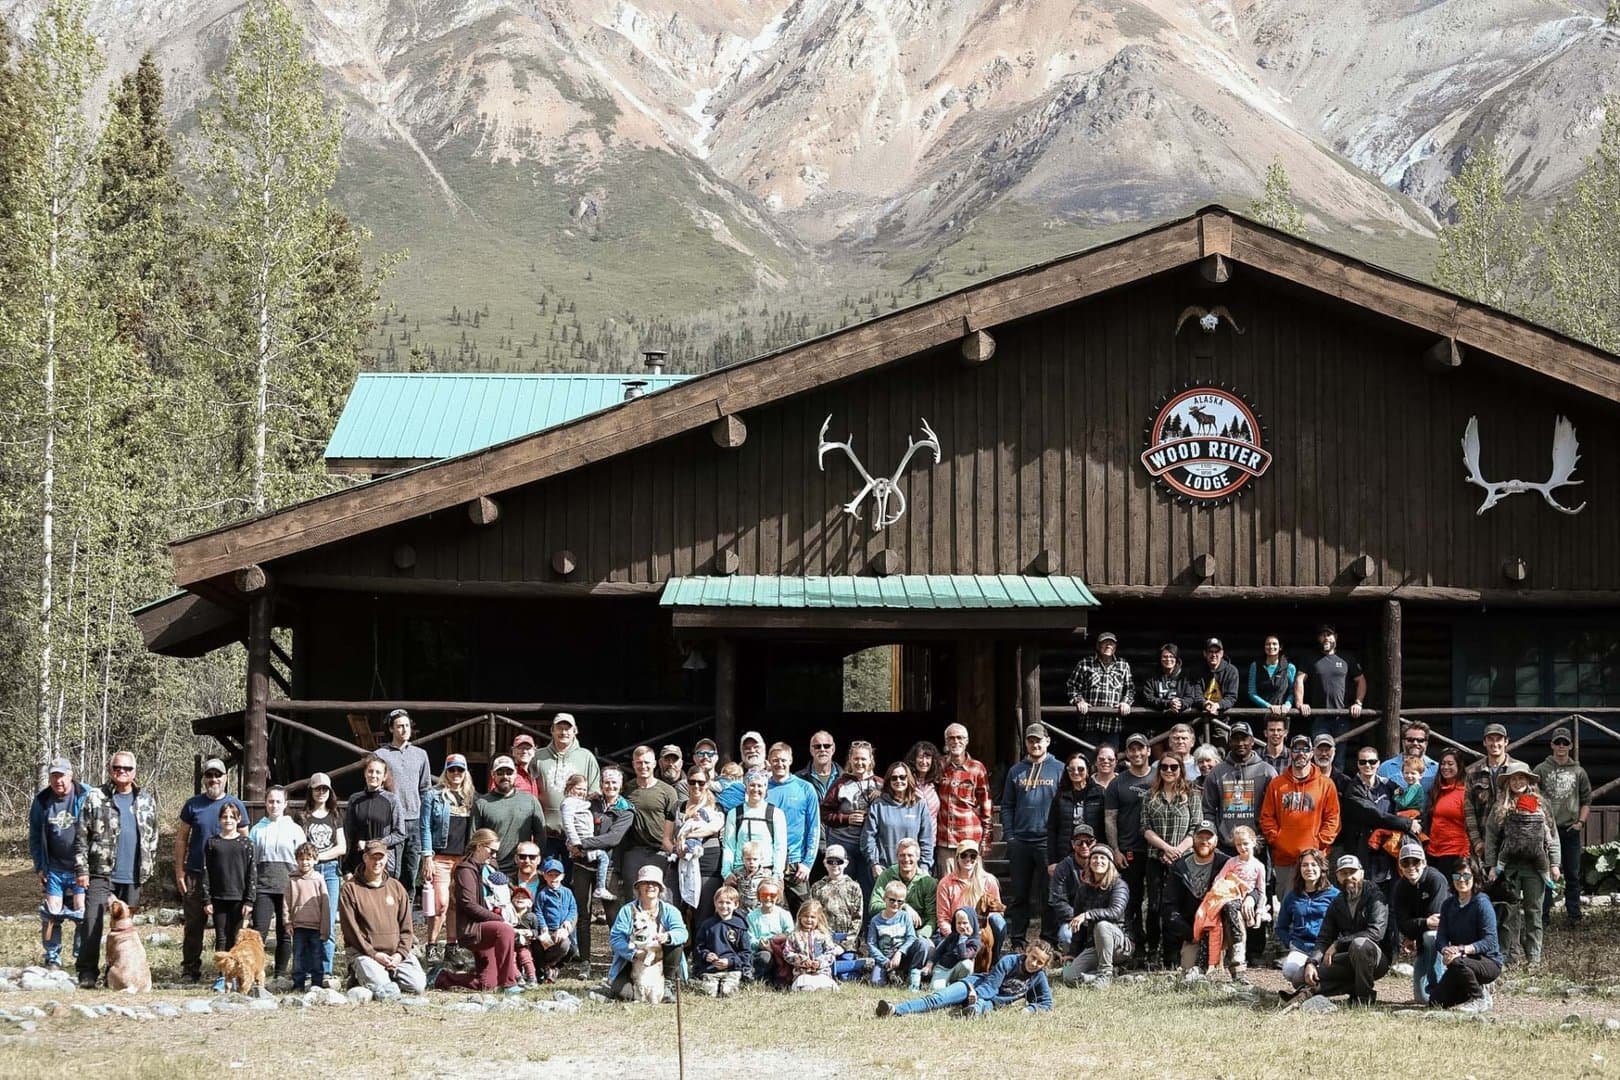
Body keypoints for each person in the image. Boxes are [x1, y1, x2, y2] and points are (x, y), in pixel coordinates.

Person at [73, 751, 158, 990]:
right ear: (110, 770)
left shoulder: (146, 799)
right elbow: (80, 836)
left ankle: (119, 972)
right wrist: (81, 869)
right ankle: (87, 972)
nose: (122, 771)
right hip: (100, 872)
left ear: (135, 772)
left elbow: (153, 835)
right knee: (92, 922)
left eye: (127, 768)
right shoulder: (96, 797)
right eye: (117, 767)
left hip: (133, 874)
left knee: (125, 929)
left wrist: (149, 866)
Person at [175, 758, 247, 983]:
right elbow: (181, 839)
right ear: (204, 779)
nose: (213, 779)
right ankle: (190, 970)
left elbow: (246, 843)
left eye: (218, 775)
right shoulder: (192, 805)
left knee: (229, 928)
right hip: (196, 875)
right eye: (209, 775)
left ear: (226, 778)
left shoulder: (235, 805)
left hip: (228, 879)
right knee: (193, 925)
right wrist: (179, 871)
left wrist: (245, 880)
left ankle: (229, 972)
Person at [1482, 760, 1559, 966]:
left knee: (1534, 911)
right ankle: (1510, 956)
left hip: (1536, 867)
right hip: (1509, 867)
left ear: (1528, 781)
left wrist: (1554, 863)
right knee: (1509, 913)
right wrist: (1492, 865)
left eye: (1521, 778)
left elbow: (1552, 836)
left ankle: (1534, 957)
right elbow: (1491, 837)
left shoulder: (1542, 805)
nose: (1518, 782)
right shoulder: (1500, 807)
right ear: (1508, 782)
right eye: (1514, 779)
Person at [431, 828, 521, 993]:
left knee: (487, 984)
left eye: (496, 852)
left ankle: (441, 977)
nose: (494, 856)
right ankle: (509, 984)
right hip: (472, 930)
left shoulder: (485, 867)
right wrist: (499, 919)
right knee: (505, 930)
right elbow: (469, 904)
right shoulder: (465, 870)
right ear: (479, 846)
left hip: (484, 928)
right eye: (491, 851)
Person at [1001, 723, 1063, 948]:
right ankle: (1018, 938)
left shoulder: (1059, 769)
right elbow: (1007, 805)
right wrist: (1010, 836)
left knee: (1049, 893)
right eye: (1031, 740)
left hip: (1047, 841)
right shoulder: (1016, 771)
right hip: (1021, 841)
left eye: (1039, 740)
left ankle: (1048, 939)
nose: (1035, 744)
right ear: (1026, 743)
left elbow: (1064, 804)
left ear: (1047, 741)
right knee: (1019, 894)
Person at [876, 940, 1054, 1018]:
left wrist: (1030, 1009)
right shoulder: (1010, 961)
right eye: (1033, 957)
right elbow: (990, 987)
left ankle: (970, 1012)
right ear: (1027, 952)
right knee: (937, 999)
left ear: (1044, 965)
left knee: (981, 1007)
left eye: (1040, 962)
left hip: (991, 1002)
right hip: (975, 986)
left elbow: (1046, 1003)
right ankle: (895, 1009)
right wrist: (974, 994)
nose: (1034, 963)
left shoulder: (1039, 977)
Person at [340, 839, 427, 996]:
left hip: (396, 955)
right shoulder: (350, 889)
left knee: (418, 986)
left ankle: (390, 974)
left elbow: (407, 928)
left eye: (381, 858)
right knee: (384, 988)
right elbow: (351, 931)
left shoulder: (396, 887)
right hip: (365, 954)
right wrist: (374, 954)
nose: (377, 862)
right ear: (365, 858)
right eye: (373, 857)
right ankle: (358, 975)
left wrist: (400, 954)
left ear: (386, 858)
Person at [1259, 734, 1341, 899]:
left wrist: (1318, 843)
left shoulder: (1326, 784)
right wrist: (1278, 839)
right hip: (1284, 859)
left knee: (1316, 902)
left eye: (1305, 749)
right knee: (1286, 903)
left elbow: (1333, 819)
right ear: (1291, 752)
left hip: (1315, 859)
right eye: (1297, 749)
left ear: (1311, 753)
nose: (1301, 753)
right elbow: (1266, 817)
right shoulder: (1277, 784)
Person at [1301, 854, 1388, 1006]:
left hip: (1376, 959)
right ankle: (1351, 987)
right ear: (1337, 876)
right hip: (1348, 960)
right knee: (1301, 976)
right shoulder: (1337, 902)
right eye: (1344, 873)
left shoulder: (1376, 896)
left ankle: (1364, 999)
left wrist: (1339, 944)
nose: (1349, 877)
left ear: (1362, 873)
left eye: (1352, 872)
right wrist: (1312, 962)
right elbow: (1324, 938)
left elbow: (1375, 933)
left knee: (1359, 944)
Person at [570, 765, 632, 978]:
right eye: (607, 782)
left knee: (612, 915)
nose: (610, 786)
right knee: (583, 914)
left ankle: (618, 960)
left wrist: (582, 843)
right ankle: (585, 962)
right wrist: (572, 842)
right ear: (601, 784)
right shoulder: (590, 803)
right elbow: (573, 820)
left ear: (621, 785)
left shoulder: (626, 810)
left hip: (609, 866)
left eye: (614, 782)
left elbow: (613, 838)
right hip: (582, 864)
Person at [31, 757, 88, 974]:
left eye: (62, 776)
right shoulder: (42, 800)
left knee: (82, 913)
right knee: (51, 914)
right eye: (54, 776)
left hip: (79, 869)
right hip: (54, 868)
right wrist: (40, 866)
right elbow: (35, 837)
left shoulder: (85, 794)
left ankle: (81, 957)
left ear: (70, 775)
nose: (58, 781)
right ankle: (52, 958)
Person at [1141, 751, 1197, 967]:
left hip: (1183, 860)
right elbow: (1144, 827)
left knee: (1176, 907)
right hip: (1156, 857)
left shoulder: (1192, 794)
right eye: (1164, 767)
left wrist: (1177, 851)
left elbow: (1195, 828)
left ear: (1181, 769)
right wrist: (1166, 848)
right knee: (1154, 906)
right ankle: (1152, 951)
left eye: (1174, 767)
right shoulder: (1150, 795)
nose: (1169, 771)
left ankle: (1172, 955)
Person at [1338, 743, 1419, 891]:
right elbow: (1375, 815)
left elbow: (1403, 803)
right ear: (1357, 764)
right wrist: (1407, 823)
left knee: (1394, 890)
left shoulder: (1388, 785)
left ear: (1378, 763)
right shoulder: (1352, 790)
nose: (1367, 765)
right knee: (1367, 891)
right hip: (1364, 849)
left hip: (1389, 848)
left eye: (1372, 761)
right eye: (1363, 762)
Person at [1051, 838, 1129, 987]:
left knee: (1102, 925)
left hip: (1119, 945)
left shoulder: (1119, 885)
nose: (1098, 861)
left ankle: (1105, 974)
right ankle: (1109, 974)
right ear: (1089, 862)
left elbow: (1115, 912)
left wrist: (1087, 915)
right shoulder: (1083, 889)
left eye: (1103, 858)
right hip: (1094, 945)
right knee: (1068, 976)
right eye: (1095, 858)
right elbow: (1077, 927)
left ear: (1110, 863)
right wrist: (1072, 953)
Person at [248, 786, 306, 982]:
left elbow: (303, 859)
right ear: (266, 803)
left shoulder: (295, 829)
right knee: (259, 932)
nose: (274, 805)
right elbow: (251, 861)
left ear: (285, 804)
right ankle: (255, 972)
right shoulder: (257, 829)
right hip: (263, 887)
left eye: (278, 802)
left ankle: (280, 974)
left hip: (287, 887)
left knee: (285, 932)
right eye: (271, 801)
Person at [372, 708, 433, 894]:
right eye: (399, 726)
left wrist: (426, 817)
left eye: (407, 725)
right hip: (391, 821)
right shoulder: (381, 755)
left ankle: (407, 910)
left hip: (415, 819)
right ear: (391, 729)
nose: (404, 729)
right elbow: (375, 787)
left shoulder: (421, 754)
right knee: (391, 870)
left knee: (411, 872)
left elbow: (425, 788)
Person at [1193, 826, 1265, 983]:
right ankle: (1203, 965)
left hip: (1245, 900)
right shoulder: (1232, 862)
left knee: (1232, 908)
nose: (1242, 848)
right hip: (1229, 896)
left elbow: (1261, 891)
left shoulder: (1258, 866)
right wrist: (1219, 891)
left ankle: (1238, 956)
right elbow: (1219, 878)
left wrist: (1259, 912)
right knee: (1215, 915)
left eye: (1245, 843)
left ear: (1253, 842)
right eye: (1238, 844)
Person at [1535, 728, 1592, 923]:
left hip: (1569, 829)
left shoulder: (1579, 771)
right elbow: (1532, 796)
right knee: (1545, 873)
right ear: (1551, 745)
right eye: (1558, 742)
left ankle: (1574, 915)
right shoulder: (1540, 769)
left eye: (1565, 743)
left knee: (1572, 874)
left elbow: (1586, 800)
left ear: (1571, 746)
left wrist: (1580, 822)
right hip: (1547, 830)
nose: (1561, 746)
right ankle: (1543, 916)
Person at [1104, 732, 1154, 953]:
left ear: (1148, 750)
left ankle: (1156, 946)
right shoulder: (1117, 783)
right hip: (1129, 849)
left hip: (1156, 849)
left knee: (1156, 901)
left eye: (1140, 748)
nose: (1136, 753)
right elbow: (1110, 818)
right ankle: (1136, 946)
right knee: (1132, 900)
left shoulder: (1161, 776)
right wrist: (1115, 850)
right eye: (1132, 749)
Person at [1430, 864, 1502, 1012]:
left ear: (1474, 878)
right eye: (1457, 876)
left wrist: (1462, 950)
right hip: (1459, 961)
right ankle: (1475, 990)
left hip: (1487, 961)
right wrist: (1445, 950)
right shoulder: (1448, 905)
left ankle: (1479, 998)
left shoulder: (1482, 903)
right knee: (1436, 1001)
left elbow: (1490, 941)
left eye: (1466, 876)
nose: (1461, 880)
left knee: (1458, 962)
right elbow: (1441, 936)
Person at [1161, 820, 1229, 972]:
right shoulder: (1179, 867)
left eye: (1209, 838)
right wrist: (1190, 933)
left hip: (1220, 929)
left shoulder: (1227, 863)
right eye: (1200, 837)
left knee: (1234, 907)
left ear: (1216, 841)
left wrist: (1251, 899)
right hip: (1192, 931)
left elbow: (1247, 885)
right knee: (1189, 968)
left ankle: (1234, 959)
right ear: (1193, 839)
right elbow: (1169, 907)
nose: (1204, 841)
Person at [422, 756, 473, 957]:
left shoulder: (471, 797)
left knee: (455, 902)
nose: (456, 774)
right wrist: (427, 856)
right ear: (446, 772)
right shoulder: (433, 795)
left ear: (465, 772)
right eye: (452, 770)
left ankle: (451, 946)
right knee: (440, 903)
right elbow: (425, 827)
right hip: (440, 856)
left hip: (462, 858)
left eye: (460, 770)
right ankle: (431, 945)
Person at [200, 801, 256, 983]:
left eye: (232, 817)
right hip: (218, 897)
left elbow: (251, 873)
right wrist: (206, 899)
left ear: (239, 819)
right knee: (221, 938)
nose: (228, 820)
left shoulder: (246, 843)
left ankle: (237, 975)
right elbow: (206, 871)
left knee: (236, 938)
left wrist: (249, 900)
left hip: (239, 898)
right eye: (225, 817)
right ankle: (222, 977)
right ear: (219, 819)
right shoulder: (212, 843)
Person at [531, 713, 601, 856]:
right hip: (546, 833)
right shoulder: (538, 756)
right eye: (559, 728)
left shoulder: (586, 757)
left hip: (577, 836)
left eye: (567, 729)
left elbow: (594, 794)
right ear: (552, 730)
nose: (563, 732)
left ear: (575, 731)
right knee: (549, 870)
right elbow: (529, 788)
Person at [298, 773, 346, 979]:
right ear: (311, 791)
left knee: (328, 921)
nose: (321, 792)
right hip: (309, 872)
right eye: (317, 789)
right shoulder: (302, 817)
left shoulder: (335, 816)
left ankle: (326, 970)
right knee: (308, 921)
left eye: (325, 789)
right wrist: (311, 860)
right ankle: (308, 969)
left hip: (331, 871)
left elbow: (342, 847)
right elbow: (301, 847)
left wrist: (319, 856)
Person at [1202, 722, 1274, 857]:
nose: (1240, 743)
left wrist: (1265, 836)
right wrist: (1214, 835)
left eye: (1244, 739)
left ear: (1252, 741)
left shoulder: (1267, 771)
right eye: (1236, 739)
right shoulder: (1216, 772)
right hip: (1225, 846)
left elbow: (1275, 810)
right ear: (1229, 742)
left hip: (1257, 845)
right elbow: (1208, 809)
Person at [1390, 843, 1449, 1004]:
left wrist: (1415, 928)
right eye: (1405, 863)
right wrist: (1422, 925)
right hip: (1421, 941)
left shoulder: (1436, 879)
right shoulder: (1400, 887)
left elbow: (1437, 922)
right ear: (1400, 866)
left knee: (1431, 935)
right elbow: (1402, 925)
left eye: (1415, 862)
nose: (1411, 867)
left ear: (1424, 862)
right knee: (1422, 998)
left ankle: (1442, 989)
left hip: (1445, 941)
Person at [821, 741, 881, 900]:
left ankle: (866, 917)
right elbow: (825, 813)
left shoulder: (880, 784)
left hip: (868, 846)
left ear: (870, 760)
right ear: (850, 760)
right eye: (856, 759)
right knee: (841, 891)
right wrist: (846, 819)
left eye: (863, 759)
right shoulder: (840, 784)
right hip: (844, 844)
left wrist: (883, 795)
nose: (859, 763)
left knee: (869, 891)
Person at [765, 743, 820, 909]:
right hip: (768, 863)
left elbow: (814, 828)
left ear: (790, 760)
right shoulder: (761, 788)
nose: (779, 764)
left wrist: (807, 863)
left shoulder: (805, 788)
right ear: (769, 761)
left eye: (783, 760)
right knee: (771, 912)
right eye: (775, 760)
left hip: (796, 864)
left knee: (804, 913)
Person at [471, 754, 546, 875]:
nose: (505, 776)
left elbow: (541, 835)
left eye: (509, 772)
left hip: (523, 870)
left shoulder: (530, 801)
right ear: (493, 775)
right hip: (490, 870)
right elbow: (474, 840)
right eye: (500, 772)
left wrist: (535, 863)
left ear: (515, 774)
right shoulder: (481, 804)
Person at [934, 724, 992, 877]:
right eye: (951, 738)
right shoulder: (939, 766)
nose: (956, 741)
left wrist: (986, 838)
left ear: (966, 741)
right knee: (948, 884)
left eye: (959, 738)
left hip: (970, 837)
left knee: (973, 884)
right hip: (945, 840)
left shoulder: (977, 768)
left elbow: (986, 804)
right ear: (946, 742)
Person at [1296, 624, 1366, 747]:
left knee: (1339, 755)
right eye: (1322, 635)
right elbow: (1299, 679)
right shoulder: (1310, 658)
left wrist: (1358, 703)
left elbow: (1361, 681)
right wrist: (1300, 704)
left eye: (1329, 635)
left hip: (1341, 716)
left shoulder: (1347, 658)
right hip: (1319, 716)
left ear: (1336, 637)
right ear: (1319, 638)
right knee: (1320, 753)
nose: (1326, 638)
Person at [1276, 848, 1337, 989]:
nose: (1309, 868)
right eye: (1305, 865)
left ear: (1321, 868)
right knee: (1290, 969)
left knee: (1324, 972)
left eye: (1314, 864)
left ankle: (1319, 987)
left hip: (1325, 949)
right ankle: (1309, 986)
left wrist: (1335, 945)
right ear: (1299, 869)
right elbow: (1281, 927)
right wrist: (1291, 943)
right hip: (1301, 948)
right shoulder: (1292, 896)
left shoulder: (1334, 895)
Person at [864, 761, 936, 876]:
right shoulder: (878, 805)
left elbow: (926, 840)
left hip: (913, 871)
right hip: (885, 870)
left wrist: (924, 867)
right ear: (889, 781)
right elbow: (868, 837)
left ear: (909, 779)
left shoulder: (919, 805)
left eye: (902, 777)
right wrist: (874, 863)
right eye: (894, 778)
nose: (898, 781)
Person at [935, 839, 1006, 955]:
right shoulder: (945, 883)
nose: (968, 859)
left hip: (983, 931)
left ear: (978, 859)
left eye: (973, 856)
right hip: (957, 931)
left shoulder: (989, 880)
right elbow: (943, 919)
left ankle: (995, 957)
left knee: (997, 920)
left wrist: (979, 929)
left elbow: (998, 911)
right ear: (957, 858)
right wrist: (956, 936)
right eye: (964, 855)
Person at [674, 765, 725, 922]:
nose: (696, 786)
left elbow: (712, 828)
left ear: (707, 784)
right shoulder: (678, 807)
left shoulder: (716, 807)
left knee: (704, 914)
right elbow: (666, 838)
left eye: (701, 782)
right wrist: (676, 848)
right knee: (677, 912)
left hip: (708, 865)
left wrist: (684, 835)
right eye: (692, 782)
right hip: (681, 862)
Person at [1464, 723, 1518, 865]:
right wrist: (1476, 841)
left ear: (1506, 742)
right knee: (1487, 878)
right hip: (1484, 841)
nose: (1495, 744)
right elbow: (1469, 811)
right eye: (1490, 739)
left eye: (1499, 739)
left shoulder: (1519, 769)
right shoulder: (1473, 772)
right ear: (1484, 742)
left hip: (1513, 839)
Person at [1066, 631, 1135, 742]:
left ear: (1115, 647)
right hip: (1089, 723)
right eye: (1105, 642)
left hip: (1112, 724)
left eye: (1111, 643)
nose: (1108, 645)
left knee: (1111, 753)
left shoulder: (1123, 665)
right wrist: (1079, 701)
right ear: (1098, 646)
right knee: (1088, 752)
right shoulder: (1085, 663)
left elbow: (1130, 689)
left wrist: (1125, 702)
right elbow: (1072, 685)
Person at [344, 754, 406, 875]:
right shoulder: (354, 799)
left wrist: (373, 845)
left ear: (384, 776)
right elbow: (349, 834)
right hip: (359, 862)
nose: (373, 775)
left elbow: (400, 833)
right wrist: (347, 865)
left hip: (383, 862)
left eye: (378, 772)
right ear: (365, 773)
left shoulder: (392, 800)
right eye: (370, 771)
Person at [1046, 752, 1105, 877]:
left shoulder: (1099, 793)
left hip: (1093, 853)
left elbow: (1105, 827)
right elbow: (1052, 829)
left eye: (1081, 769)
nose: (1076, 772)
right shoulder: (1060, 796)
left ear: (1088, 770)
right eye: (1071, 769)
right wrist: (1052, 861)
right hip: (1065, 853)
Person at [722, 768, 788, 880]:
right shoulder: (734, 813)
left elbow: (780, 846)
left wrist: (777, 875)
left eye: (760, 786)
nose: (756, 789)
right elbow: (729, 846)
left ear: (766, 788)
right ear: (746, 787)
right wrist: (726, 873)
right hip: (740, 871)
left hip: (767, 871)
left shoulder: (776, 814)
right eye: (752, 785)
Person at [870, 838, 938, 943]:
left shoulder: (928, 882)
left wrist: (921, 936)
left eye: (910, 855)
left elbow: (932, 918)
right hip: (889, 932)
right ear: (897, 856)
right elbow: (873, 906)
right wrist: (903, 907)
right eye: (902, 855)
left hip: (917, 933)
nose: (906, 859)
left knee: (923, 945)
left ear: (918, 857)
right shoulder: (887, 875)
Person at [810, 844, 866, 965]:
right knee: (821, 968)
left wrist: (844, 945)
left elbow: (857, 919)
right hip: (823, 940)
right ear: (825, 863)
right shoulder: (817, 887)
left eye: (839, 861)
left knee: (846, 971)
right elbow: (813, 915)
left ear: (846, 863)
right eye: (830, 861)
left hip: (847, 943)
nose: (834, 865)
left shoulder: (854, 887)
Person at [692, 884, 752, 997]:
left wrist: (730, 962)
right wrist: (706, 955)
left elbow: (746, 953)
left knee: (727, 993)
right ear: (715, 903)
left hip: (732, 969)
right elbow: (699, 947)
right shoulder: (707, 925)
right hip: (711, 969)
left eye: (728, 903)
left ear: (736, 905)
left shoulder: (740, 926)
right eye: (720, 902)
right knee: (709, 993)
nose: (724, 906)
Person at [286, 842, 331, 991]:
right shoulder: (292, 879)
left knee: (317, 956)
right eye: (301, 859)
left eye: (308, 859)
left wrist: (325, 929)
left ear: (315, 860)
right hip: (298, 926)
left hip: (315, 926)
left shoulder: (319, 879)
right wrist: (287, 922)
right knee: (298, 957)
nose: (305, 862)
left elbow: (325, 906)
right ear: (297, 860)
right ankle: (298, 984)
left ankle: (316, 984)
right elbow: (286, 902)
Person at [866, 881, 928, 988]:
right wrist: (884, 961)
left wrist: (900, 952)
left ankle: (912, 973)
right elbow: (871, 944)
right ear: (884, 898)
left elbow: (911, 937)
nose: (895, 904)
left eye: (900, 901)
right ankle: (891, 974)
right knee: (876, 983)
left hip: (903, 956)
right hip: (885, 957)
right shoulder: (875, 921)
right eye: (892, 900)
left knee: (923, 943)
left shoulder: (905, 917)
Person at [1423, 748, 1472, 882]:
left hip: (1456, 851)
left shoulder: (1465, 792)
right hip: (1433, 850)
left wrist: (1466, 854)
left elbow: (1471, 824)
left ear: (1459, 766)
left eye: (1450, 764)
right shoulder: (1436, 790)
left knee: (1452, 888)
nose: (1445, 767)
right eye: (1443, 764)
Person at [531, 857, 577, 982]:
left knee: (570, 948)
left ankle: (554, 966)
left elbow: (573, 908)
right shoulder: (543, 894)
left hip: (561, 929)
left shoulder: (567, 892)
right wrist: (543, 926)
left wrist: (567, 921)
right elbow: (538, 911)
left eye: (556, 875)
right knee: (541, 946)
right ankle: (543, 968)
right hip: (548, 929)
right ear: (545, 876)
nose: (553, 878)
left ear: (562, 876)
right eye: (550, 875)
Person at [784, 900, 839, 991]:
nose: (809, 920)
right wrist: (802, 960)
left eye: (812, 917)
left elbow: (831, 952)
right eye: (806, 916)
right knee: (806, 987)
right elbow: (787, 953)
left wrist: (819, 962)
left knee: (825, 987)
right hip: (802, 973)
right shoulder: (794, 935)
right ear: (800, 917)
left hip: (822, 972)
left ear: (818, 919)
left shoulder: (823, 935)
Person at [746, 878, 795, 982]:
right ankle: (762, 980)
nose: (768, 898)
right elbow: (750, 938)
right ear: (758, 896)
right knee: (765, 956)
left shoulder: (784, 914)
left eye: (772, 895)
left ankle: (782, 979)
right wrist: (760, 944)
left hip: (780, 949)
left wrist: (776, 944)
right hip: (762, 950)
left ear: (778, 896)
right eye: (764, 895)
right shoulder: (752, 916)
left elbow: (791, 933)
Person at [923, 907, 982, 989]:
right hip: (943, 968)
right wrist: (929, 965)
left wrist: (962, 939)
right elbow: (939, 951)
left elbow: (963, 956)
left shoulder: (975, 942)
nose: (962, 926)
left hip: (958, 969)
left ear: (972, 923)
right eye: (959, 923)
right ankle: (943, 982)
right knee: (936, 989)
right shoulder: (953, 935)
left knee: (967, 964)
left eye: (965, 923)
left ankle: (958, 985)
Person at [1247, 634, 1300, 719]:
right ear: (1264, 647)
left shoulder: (1289, 667)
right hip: (1260, 715)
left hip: (1282, 715)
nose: (1271, 646)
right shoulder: (1255, 666)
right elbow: (1252, 693)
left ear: (1280, 647)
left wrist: (1287, 705)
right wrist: (1269, 706)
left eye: (1274, 644)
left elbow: (1292, 692)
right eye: (1268, 644)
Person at [1188, 638, 1239, 721]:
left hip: (1222, 718)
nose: (1214, 655)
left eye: (1217, 652)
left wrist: (1217, 705)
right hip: (1199, 716)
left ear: (1222, 653)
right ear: (1205, 653)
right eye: (1210, 651)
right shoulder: (1196, 671)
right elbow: (1196, 695)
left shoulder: (1231, 671)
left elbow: (1231, 697)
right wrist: (1205, 704)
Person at [1379, 721, 1437, 789]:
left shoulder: (1436, 769)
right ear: (1403, 742)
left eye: (1420, 740)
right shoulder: (1386, 768)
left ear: (1426, 743)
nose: (1415, 743)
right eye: (1410, 739)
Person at [1141, 643, 1192, 719]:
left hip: (1182, 719)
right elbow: (1148, 698)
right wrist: (1168, 703)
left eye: (1171, 656)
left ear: (1176, 659)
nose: (1168, 659)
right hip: (1156, 719)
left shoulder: (1185, 676)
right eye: (1165, 657)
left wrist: (1180, 704)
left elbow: (1190, 697)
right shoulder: (1151, 677)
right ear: (1160, 658)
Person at [799, 731, 841, 802]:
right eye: (817, 746)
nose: (822, 749)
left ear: (833, 749)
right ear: (811, 750)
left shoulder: (846, 779)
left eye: (826, 746)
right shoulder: (799, 779)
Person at [905, 740, 942, 820]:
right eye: (920, 757)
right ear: (914, 760)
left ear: (933, 761)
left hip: (932, 828)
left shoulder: (935, 783)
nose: (924, 761)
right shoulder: (906, 782)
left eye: (928, 758)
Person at [501, 733, 544, 799]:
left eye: (528, 748)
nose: (524, 751)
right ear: (513, 751)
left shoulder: (536, 774)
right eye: (520, 748)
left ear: (534, 751)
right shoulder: (505, 773)